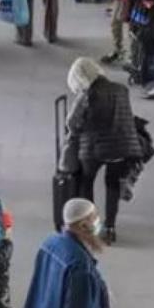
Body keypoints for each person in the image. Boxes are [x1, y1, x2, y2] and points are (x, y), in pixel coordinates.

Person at [61, 58, 143, 245]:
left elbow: (72, 123)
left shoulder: (88, 94)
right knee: (112, 184)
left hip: (94, 150)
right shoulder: (122, 90)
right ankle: (110, 228)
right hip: (122, 148)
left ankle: (91, 225)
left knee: (86, 181)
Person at [22, 198, 110, 308]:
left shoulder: (49, 243)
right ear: (83, 226)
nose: (98, 223)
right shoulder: (80, 266)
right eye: (94, 218)